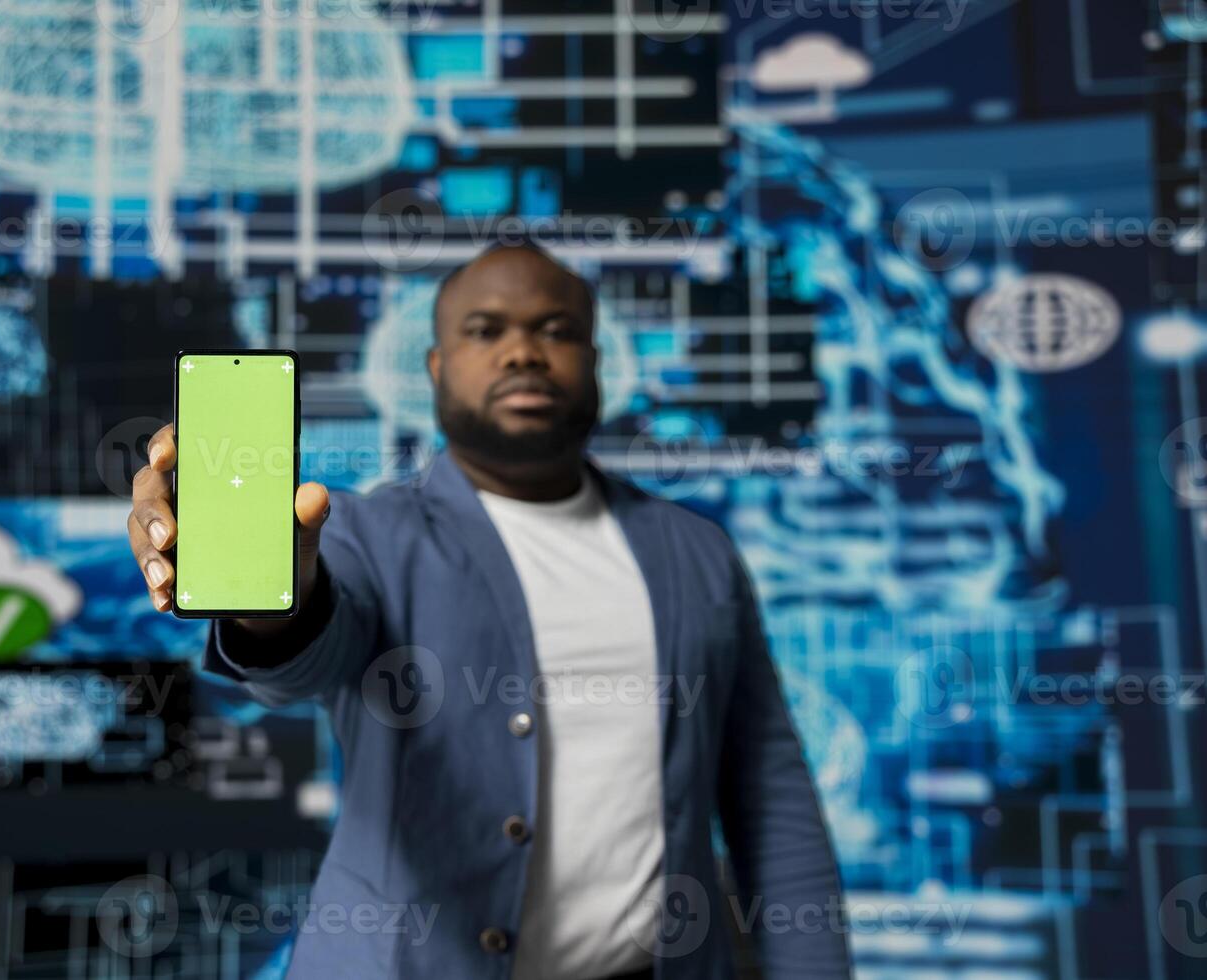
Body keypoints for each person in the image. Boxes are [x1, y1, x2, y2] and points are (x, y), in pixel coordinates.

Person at [127, 242, 852, 979]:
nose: (523, 353)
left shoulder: (697, 552)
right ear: (437, 369)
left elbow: (771, 796)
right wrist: (268, 592)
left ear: (598, 363)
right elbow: (305, 655)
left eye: (557, 330)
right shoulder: (364, 532)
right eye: (485, 330)